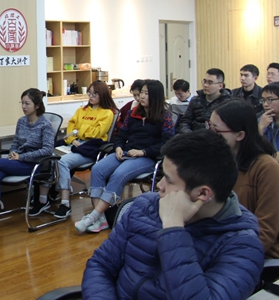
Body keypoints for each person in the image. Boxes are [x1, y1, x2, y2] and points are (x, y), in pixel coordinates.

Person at [82, 130, 265, 300]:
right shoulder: (145, 206)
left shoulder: (242, 246)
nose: (159, 186)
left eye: (169, 181)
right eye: (162, 175)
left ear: (202, 194)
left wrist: (174, 229)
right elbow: (101, 265)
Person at [75, 79, 174, 234]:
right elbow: (121, 134)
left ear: (156, 96)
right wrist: (118, 147)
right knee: (97, 169)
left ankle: (93, 216)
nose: (142, 96)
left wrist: (143, 152)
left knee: (118, 174)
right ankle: (101, 218)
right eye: (142, 92)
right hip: (126, 152)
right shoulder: (133, 113)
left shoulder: (164, 117)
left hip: (147, 157)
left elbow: (167, 143)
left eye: (146, 93)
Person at [0, 88, 54, 232]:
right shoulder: (21, 121)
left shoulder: (45, 125)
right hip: (18, 161)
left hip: (32, 164)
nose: (23, 107)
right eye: (22, 103)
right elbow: (15, 143)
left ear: (37, 105)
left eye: (27, 103)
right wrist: (12, 153)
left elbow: (47, 150)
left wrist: (21, 157)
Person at [30, 81, 117, 220]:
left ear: (103, 95)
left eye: (95, 94)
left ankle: (65, 203)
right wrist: (73, 138)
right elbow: (71, 129)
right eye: (89, 93)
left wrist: (78, 132)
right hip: (74, 144)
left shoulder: (107, 113)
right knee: (47, 157)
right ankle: (42, 200)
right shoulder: (81, 110)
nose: (91, 96)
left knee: (62, 162)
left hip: (90, 148)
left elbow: (97, 133)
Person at [210, 99, 279, 259]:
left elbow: (265, 232)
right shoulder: (216, 161)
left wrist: (226, 258)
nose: (210, 135)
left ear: (240, 135)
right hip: (219, 244)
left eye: (216, 130)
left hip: (254, 252)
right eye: (209, 127)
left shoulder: (267, 168)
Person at [177, 68, 232, 133]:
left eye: (210, 83)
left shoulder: (227, 103)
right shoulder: (196, 100)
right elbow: (184, 122)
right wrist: (190, 135)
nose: (205, 85)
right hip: (194, 135)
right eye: (204, 81)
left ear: (220, 86)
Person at [258, 82, 279, 152]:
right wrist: (260, 128)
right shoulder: (261, 120)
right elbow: (254, 149)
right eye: (263, 100)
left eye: (270, 100)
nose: (265, 104)